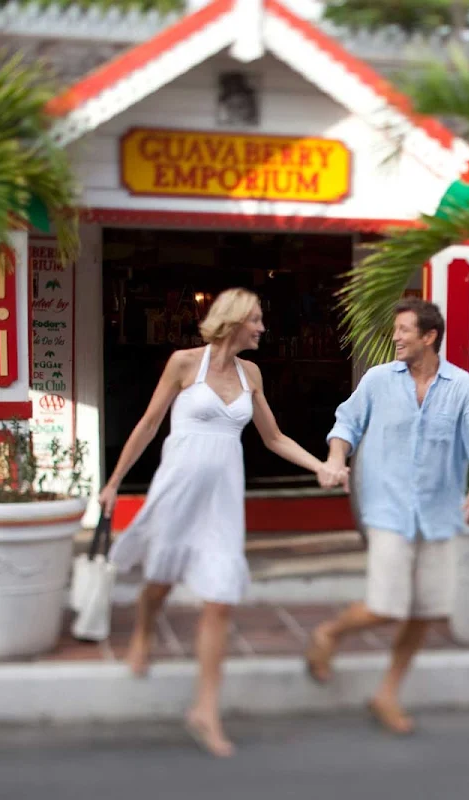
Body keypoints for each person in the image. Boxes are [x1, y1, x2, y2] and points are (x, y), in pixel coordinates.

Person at [98, 287, 348, 758]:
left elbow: (273, 438)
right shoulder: (183, 364)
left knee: (220, 600)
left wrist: (320, 466)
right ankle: (145, 632)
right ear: (233, 320)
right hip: (177, 487)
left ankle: (205, 710)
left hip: (222, 499)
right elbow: (149, 424)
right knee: (160, 581)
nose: (262, 327)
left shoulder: (250, 373)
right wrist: (114, 482)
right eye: (255, 319)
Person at [304, 297, 469, 735]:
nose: (396, 337)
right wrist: (337, 458)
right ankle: (330, 634)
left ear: (429, 337)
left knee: (426, 610)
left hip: (438, 513)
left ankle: (387, 693)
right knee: (386, 606)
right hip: (388, 509)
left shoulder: (461, 387)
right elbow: (345, 425)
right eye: (396, 329)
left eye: (404, 330)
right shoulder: (378, 380)